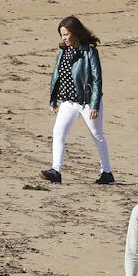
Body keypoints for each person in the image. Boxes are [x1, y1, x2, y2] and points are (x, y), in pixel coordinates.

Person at [43, 15, 113, 185]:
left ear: (75, 33)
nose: (64, 38)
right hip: (69, 101)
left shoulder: (90, 52)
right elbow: (57, 77)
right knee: (58, 132)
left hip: (87, 102)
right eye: (62, 35)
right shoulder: (63, 52)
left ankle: (107, 172)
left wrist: (94, 104)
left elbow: (97, 79)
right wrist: (54, 100)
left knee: (97, 136)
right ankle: (56, 171)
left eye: (66, 34)